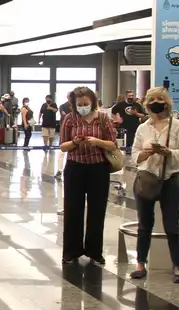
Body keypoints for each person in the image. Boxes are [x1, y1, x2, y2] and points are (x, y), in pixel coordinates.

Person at [129, 87, 179, 283]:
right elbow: (134, 156)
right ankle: (140, 263)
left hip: (170, 180)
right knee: (144, 224)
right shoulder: (143, 127)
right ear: (146, 104)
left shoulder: (177, 125)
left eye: (160, 99)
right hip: (146, 178)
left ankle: (178, 267)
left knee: (172, 225)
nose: (156, 102)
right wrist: (145, 154)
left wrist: (168, 152)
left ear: (166, 103)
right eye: (152, 99)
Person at [59, 86, 119, 265]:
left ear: (93, 102)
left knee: (97, 210)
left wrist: (98, 142)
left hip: (98, 169)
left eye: (86, 103)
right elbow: (63, 145)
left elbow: (113, 144)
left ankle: (94, 251)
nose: (83, 107)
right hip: (75, 167)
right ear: (74, 104)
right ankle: (71, 251)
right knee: (73, 209)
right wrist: (74, 142)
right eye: (79, 104)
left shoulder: (103, 119)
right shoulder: (70, 119)